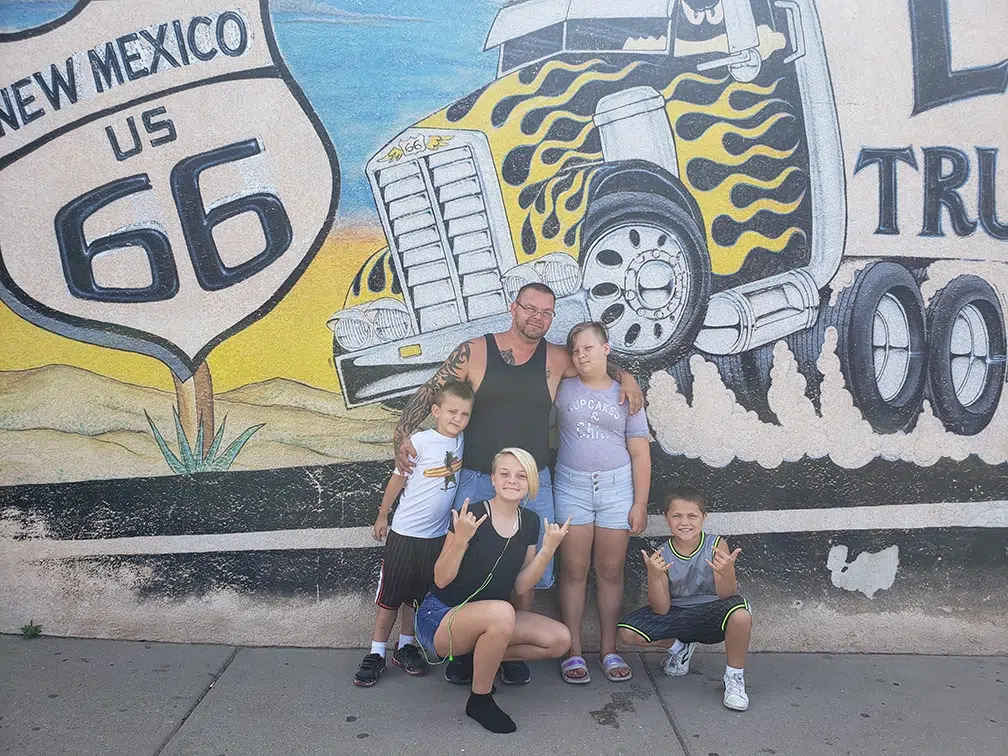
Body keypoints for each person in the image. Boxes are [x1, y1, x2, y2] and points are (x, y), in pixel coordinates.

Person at [393, 282, 643, 686]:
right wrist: (402, 430)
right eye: (530, 309)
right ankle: (469, 646)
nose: (537, 318)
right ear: (514, 308)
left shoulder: (557, 357)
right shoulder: (474, 350)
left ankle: (505, 652)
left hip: (533, 482)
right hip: (477, 477)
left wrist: (626, 375)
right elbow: (433, 391)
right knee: (465, 564)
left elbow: (594, 361)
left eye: (546, 313)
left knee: (526, 569)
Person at [414, 448, 572, 733]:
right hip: (440, 618)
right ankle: (480, 699)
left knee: (559, 639)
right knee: (502, 612)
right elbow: (440, 579)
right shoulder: (472, 515)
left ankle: (476, 659)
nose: (512, 480)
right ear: (493, 479)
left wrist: (548, 551)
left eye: (521, 475)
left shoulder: (531, 522)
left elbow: (522, 585)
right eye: (505, 474)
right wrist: (461, 540)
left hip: (492, 618)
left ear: (531, 482)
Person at [354, 381, 474, 687]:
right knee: (390, 598)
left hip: (435, 538)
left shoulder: (462, 441)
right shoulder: (420, 441)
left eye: (464, 414)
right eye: (451, 412)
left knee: (416, 598)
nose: (457, 419)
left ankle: (405, 646)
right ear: (435, 411)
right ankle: (376, 653)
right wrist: (383, 515)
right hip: (406, 534)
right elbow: (397, 480)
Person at [554, 322, 651, 684]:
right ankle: (573, 651)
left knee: (610, 572)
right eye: (576, 350)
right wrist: (626, 371)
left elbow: (640, 453)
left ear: (606, 348)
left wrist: (640, 504)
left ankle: (610, 650)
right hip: (571, 487)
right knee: (574, 571)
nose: (581, 355)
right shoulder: (563, 388)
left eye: (589, 348)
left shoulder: (627, 396)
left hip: (616, 489)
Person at [616, 486, 753, 711]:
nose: (684, 522)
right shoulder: (662, 553)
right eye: (677, 516)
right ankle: (680, 648)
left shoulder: (716, 544)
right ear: (666, 518)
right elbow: (661, 609)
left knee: (740, 614)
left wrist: (726, 571)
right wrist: (654, 576)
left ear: (704, 517)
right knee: (627, 632)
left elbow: (725, 595)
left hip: (712, 613)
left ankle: (734, 678)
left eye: (692, 516)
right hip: (678, 615)